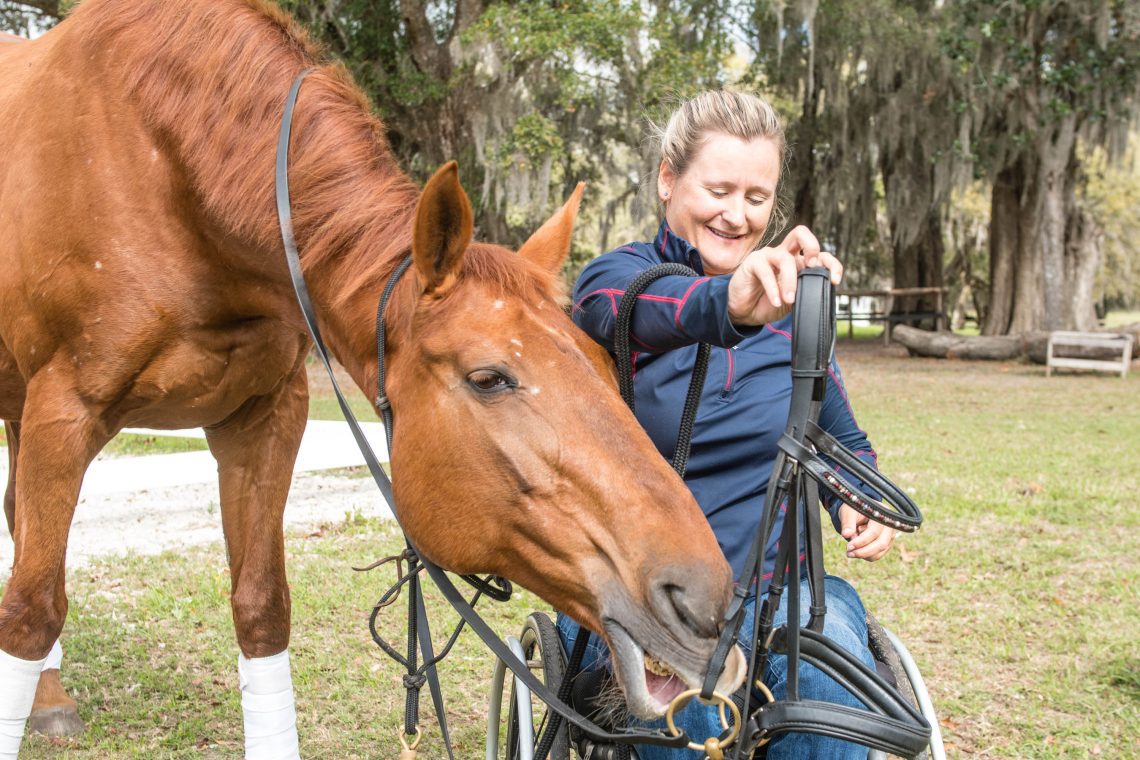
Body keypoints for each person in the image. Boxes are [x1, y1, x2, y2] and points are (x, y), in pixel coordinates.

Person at [559, 89, 896, 759]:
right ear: (667, 179)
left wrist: (859, 499)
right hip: (653, 595)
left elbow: (840, 443)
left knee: (832, 716)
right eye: (718, 190)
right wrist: (731, 302)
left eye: (757, 197)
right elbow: (635, 309)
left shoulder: (799, 311)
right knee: (693, 728)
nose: (737, 215)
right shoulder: (618, 282)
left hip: (790, 592)